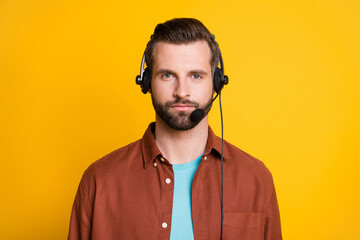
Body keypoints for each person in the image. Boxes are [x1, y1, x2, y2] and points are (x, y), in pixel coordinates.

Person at [68, 18, 282, 240]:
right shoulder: (99, 181)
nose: (182, 92)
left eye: (196, 76)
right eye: (168, 75)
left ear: (217, 82)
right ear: (147, 82)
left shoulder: (256, 179)